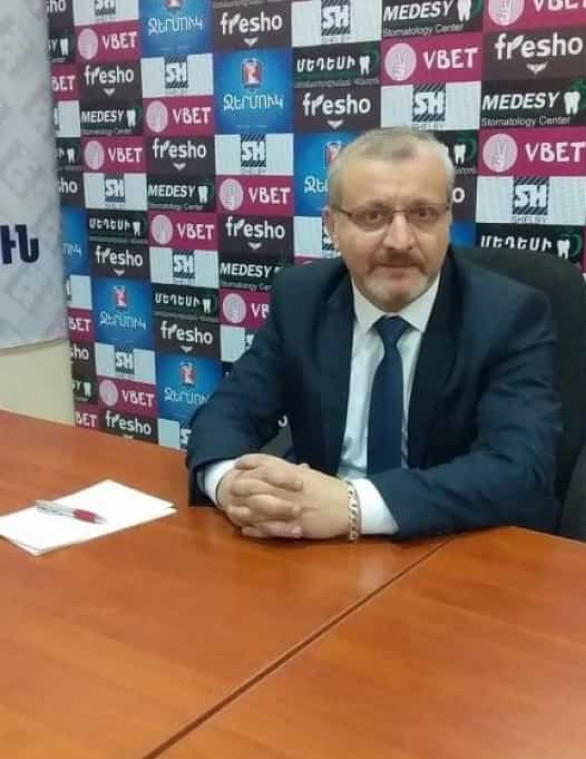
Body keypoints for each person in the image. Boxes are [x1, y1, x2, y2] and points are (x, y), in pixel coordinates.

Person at [186, 127, 561, 541]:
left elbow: (519, 469)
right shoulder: (301, 298)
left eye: (423, 214)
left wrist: (352, 505)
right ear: (332, 226)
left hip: (445, 545)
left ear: (448, 219)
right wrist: (231, 485)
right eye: (372, 216)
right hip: (309, 546)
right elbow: (229, 410)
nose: (400, 241)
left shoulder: (509, 315)